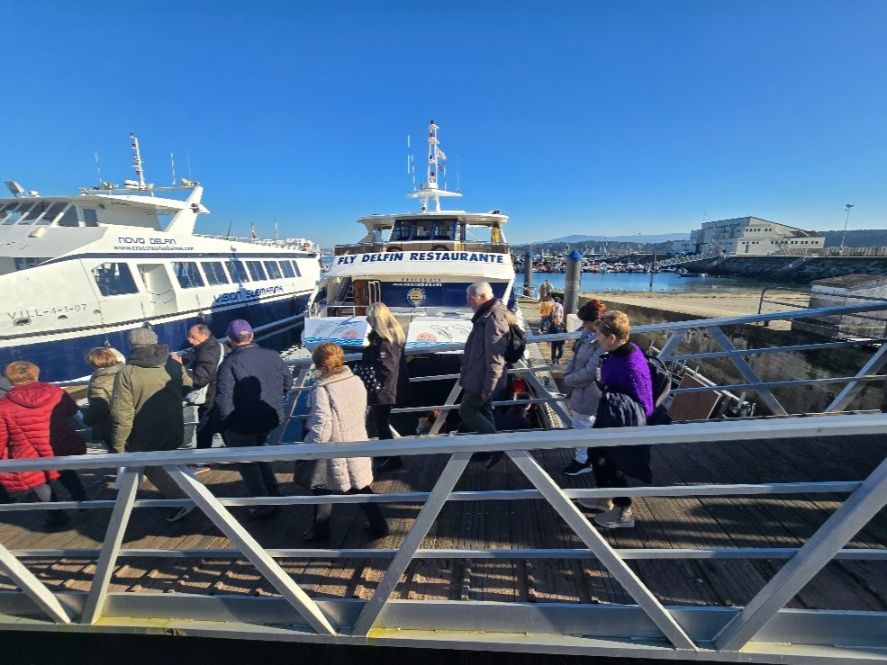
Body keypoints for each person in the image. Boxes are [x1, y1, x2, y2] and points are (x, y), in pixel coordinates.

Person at [301, 342, 388, 542]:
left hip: (336, 448)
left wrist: (308, 446)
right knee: (361, 485)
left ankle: (321, 529)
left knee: (321, 486)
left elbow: (322, 428)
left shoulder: (322, 390)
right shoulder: (355, 380)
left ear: (319, 365)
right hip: (357, 441)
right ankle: (379, 524)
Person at [112, 327, 195, 523]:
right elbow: (188, 385)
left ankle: (182, 501)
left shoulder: (126, 373)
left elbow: (121, 412)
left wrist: (118, 444)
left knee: (151, 467)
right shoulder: (172, 365)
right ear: (155, 342)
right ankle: (192, 492)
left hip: (144, 431)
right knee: (170, 459)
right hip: (173, 423)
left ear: (132, 346)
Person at [214, 319, 293, 519]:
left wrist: (226, 424)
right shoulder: (273, 355)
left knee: (248, 466)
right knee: (260, 455)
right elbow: (288, 382)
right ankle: (274, 494)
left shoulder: (229, 363)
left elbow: (224, 401)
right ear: (251, 336)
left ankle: (263, 504)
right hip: (269, 418)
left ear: (230, 340)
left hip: (242, 424)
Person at [0, 361, 87, 528]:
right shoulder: (55, 391)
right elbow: (71, 410)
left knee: (39, 482)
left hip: (27, 450)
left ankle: (57, 515)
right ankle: (82, 502)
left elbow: (1, 436)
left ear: (11, 380)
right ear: (35, 374)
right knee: (66, 472)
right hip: (57, 443)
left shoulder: (4, 406)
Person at [589, 311, 653, 529]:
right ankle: (604, 497)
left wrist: (603, 394)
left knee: (611, 460)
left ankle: (623, 510)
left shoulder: (632, 365)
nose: (596, 339)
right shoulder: (620, 353)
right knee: (595, 452)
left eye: (599, 335)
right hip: (612, 415)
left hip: (625, 422)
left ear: (612, 338)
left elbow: (644, 403)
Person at [362, 302, 410, 473]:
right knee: (380, 421)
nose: (367, 319)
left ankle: (393, 458)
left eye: (369, 316)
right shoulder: (394, 335)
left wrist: (369, 371)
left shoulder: (383, 341)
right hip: (390, 386)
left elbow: (386, 367)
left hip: (383, 388)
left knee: (381, 422)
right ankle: (386, 453)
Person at [561, 299, 607, 478]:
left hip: (590, 389)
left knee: (581, 422)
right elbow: (576, 355)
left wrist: (570, 379)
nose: (584, 325)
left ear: (596, 322)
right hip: (579, 386)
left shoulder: (603, 342)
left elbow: (591, 372)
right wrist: (569, 374)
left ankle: (583, 460)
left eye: (586, 322)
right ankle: (590, 455)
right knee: (585, 422)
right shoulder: (586, 333)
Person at [175, 324, 225, 451]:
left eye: (192, 337)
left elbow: (199, 380)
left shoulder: (207, 352)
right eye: (188, 337)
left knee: (204, 430)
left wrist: (180, 367)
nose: (189, 340)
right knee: (213, 428)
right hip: (216, 394)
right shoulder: (212, 346)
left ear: (205, 335)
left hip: (208, 397)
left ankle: (203, 459)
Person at [82, 347, 124, 452]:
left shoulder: (98, 382)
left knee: (115, 452)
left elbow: (99, 407)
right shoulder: (126, 371)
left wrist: (87, 420)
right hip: (130, 419)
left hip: (110, 424)